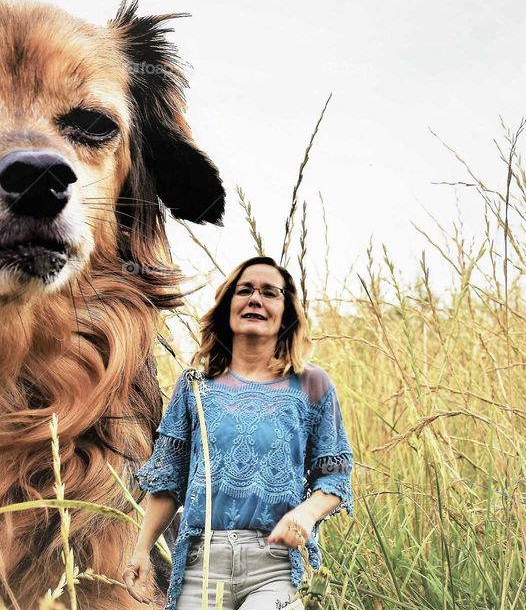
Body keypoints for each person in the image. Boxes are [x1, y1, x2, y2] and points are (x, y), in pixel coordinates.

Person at [122, 256, 354, 610]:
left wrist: (306, 514)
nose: (255, 299)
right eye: (244, 291)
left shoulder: (311, 384)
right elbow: (169, 480)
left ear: (286, 312)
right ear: (227, 306)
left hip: (275, 564)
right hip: (201, 565)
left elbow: (334, 476)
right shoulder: (195, 385)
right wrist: (141, 550)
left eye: (269, 292)